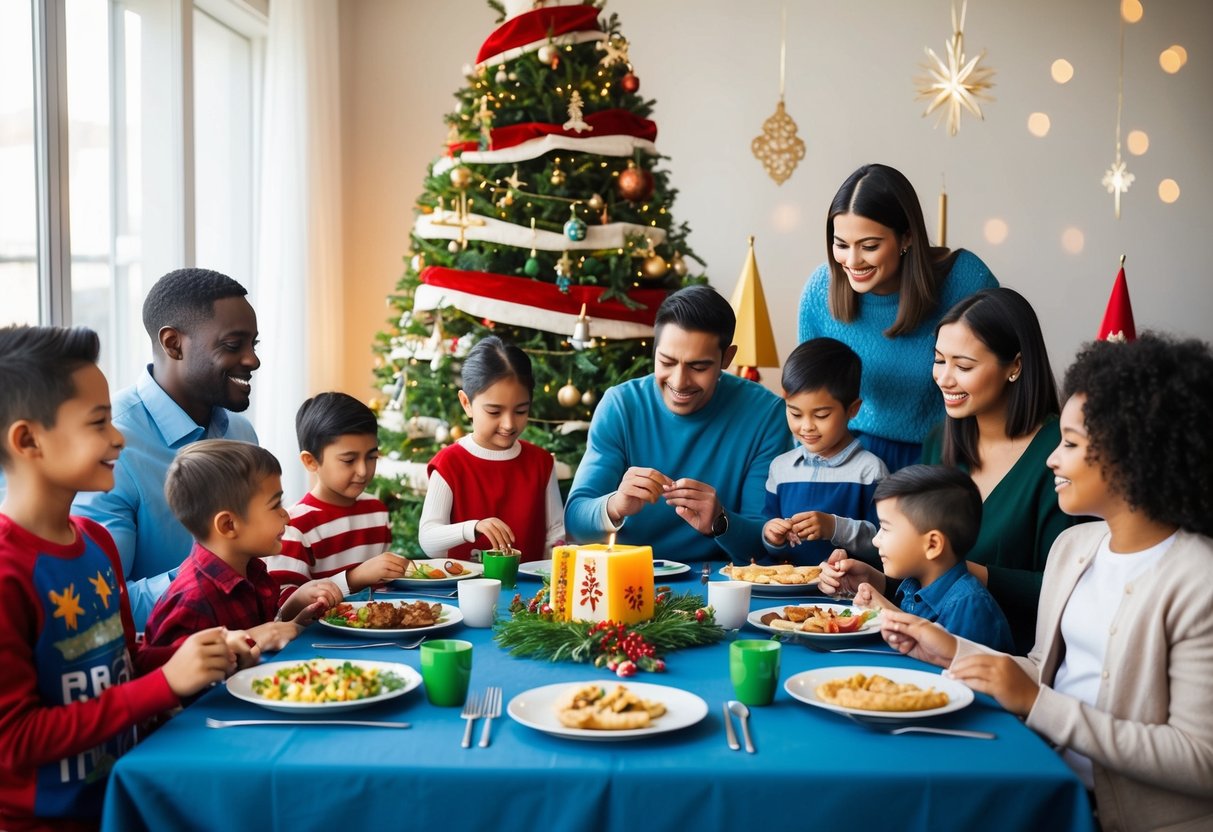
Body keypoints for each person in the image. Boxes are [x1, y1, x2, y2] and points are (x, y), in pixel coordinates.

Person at [880, 333, 1213, 832]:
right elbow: (1044, 671)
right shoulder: (1074, 550)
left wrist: (1038, 705)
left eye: (1072, 444)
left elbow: (1200, 760)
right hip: (1042, 782)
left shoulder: (1197, 580)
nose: (1052, 459)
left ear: (1136, 453)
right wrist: (951, 649)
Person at [0, 325, 249, 831]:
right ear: (28, 440)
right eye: (98, 423)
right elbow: (13, 740)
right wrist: (164, 683)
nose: (117, 438)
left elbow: (117, 662)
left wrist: (200, 657)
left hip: (119, 800)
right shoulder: (8, 571)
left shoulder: (95, 541)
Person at [822, 287, 1079, 651]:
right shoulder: (939, 441)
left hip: (1016, 660)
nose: (944, 378)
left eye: (964, 366)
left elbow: (1069, 587)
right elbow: (928, 571)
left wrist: (965, 571)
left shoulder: (1059, 452)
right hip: (926, 649)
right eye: (939, 360)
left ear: (1015, 366)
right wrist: (880, 580)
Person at [73, 268, 261, 629]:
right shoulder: (113, 447)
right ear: (173, 343)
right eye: (233, 345)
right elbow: (104, 605)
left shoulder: (241, 433)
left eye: (254, 345)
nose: (252, 360)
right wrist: (210, 574)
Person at [565, 285, 790, 562]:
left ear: (727, 359)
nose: (679, 381)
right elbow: (575, 520)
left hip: (720, 583)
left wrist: (720, 521)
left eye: (698, 367)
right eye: (667, 361)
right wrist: (615, 505)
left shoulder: (766, 415)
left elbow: (766, 543)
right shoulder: (621, 406)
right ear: (654, 350)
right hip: (627, 578)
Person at [797, 163, 997, 472]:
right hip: (848, 460)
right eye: (841, 244)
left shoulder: (966, 280)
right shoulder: (819, 292)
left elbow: (1000, 384)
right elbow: (807, 398)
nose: (852, 261)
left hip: (945, 455)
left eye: (870, 246)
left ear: (906, 238)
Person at [141, 440, 342, 666]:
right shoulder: (192, 602)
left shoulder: (252, 570)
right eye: (275, 505)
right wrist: (251, 637)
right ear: (229, 525)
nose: (286, 516)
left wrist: (291, 618)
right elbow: (171, 677)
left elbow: (266, 633)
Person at [419, 337, 564, 562]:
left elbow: (556, 532)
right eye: (494, 412)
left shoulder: (541, 462)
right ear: (466, 403)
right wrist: (473, 528)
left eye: (521, 411)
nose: (509, 424)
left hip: (529, 594)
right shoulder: (450, 463)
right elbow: (428, 540)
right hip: (464, 592)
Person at [851, 465, 1013, 651]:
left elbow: (949, 667)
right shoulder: (912, 586)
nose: (875, 540)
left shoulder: (970, 607)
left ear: (933, 545)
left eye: (885, 528)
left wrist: (886, 612)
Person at [265, 392, 407, 600]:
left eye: (372, 457)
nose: (363, 470)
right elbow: (282, 605)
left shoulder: (377, 510)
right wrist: (354, 578)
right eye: (349, 460)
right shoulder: (294, 526)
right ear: (311, 461)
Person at [761, 337, 886, 565]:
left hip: (846, 592)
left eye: (821, 415)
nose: (807, 426)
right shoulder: (780, 468)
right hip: (788, 588)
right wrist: (772, 535)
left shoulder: (870, 470)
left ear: (852, 409)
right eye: (795, 414)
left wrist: (834, 527)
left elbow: (883, 541)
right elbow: (768, 529)